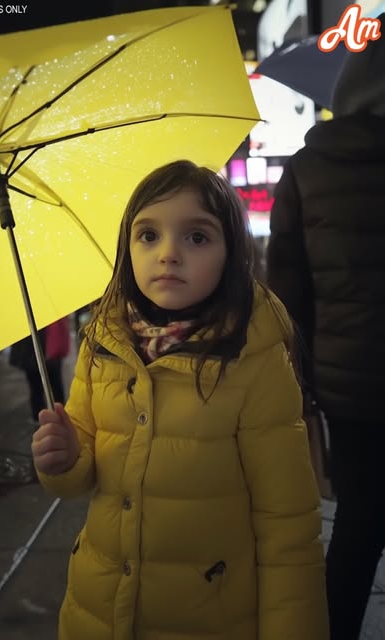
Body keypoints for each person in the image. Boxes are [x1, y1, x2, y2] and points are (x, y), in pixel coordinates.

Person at [31, 160, 329, 640]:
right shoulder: (103, 341)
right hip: (98, 610)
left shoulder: (255, 358)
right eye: (148, 235)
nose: (168, 253)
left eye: (197, 237)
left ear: (232, 253)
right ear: (126, 247)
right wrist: (63, 459)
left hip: (211, 616)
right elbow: (82, 471)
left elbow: (288, 527)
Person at [266, 28, 385, 640]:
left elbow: (287, 295)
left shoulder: (309, 169)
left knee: (360, 524)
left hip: (348, 387)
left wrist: (304, 379)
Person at [9, 318, 70, 422]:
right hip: (37, 355)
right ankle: (46, 416)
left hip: (43, 354)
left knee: (45, 387)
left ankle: (46, 416)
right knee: (45, 387)